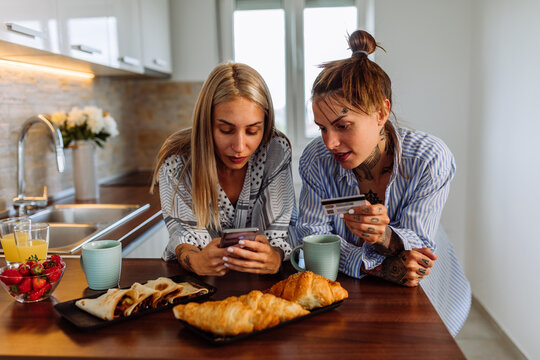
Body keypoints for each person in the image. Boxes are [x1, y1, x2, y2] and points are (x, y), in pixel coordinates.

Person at [295, 30, 470, 336]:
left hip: (423, 296)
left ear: (381, 113)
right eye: (322, 128)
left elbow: (419, 253)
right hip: (345, 304)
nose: (331, 142)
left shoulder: (429, 160)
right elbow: (312, 243)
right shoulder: (315, 159)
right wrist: (377, 265)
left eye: (342, 126)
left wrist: (386, 237)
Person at [153, 62, 296, 276]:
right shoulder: (177, 164)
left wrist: (274, 257)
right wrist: (198, 261)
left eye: (252, 131)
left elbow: (277, 237)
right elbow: (184, 237)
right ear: (206, 123)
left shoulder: (275, 152)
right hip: (205, 286)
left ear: (265, 125)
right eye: (226, 130)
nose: (239, 147)